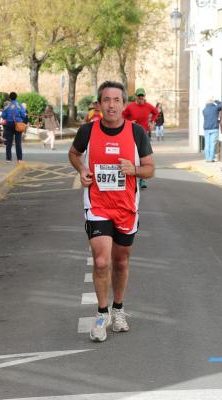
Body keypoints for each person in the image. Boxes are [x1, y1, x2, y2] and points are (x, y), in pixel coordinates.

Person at [68, 81, 154, 342]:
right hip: (98, 205)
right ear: (99, 104)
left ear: (123, 104)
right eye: (107, 100)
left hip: (127, 207)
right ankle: (102, 313)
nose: (112, 105)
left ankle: (118, 309)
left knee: (121, 261)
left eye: (117, 100)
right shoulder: (88, 131)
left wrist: (134, 170)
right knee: (102, 260)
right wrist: (82, 170)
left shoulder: (137, 133)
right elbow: (74, 154)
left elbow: (150, 168)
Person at [122, 88, 158, 189]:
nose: (141, 98)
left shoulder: (149, 106)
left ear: (144, 96)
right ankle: (132, 175)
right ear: (136, 97)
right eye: (139, 96)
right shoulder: (130, 107)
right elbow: (122, 116)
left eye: (142, 96)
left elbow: (156, 112)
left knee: (144, 156)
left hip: (144, 134)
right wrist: (129, 122)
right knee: (133, 154)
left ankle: (142, 179)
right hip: (132, 133)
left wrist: (152, 122)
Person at [0, 92, 26, 163]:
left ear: (10, 98)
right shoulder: (19, 105)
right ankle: (19, 159)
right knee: (18, 142)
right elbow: (23, 115)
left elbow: (3, 116)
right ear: (16, 97)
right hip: (17, 124)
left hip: (9, 124)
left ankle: (8, 159)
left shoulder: (7, 106)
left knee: (9, 142)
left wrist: (9, 116)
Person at [202, 96, 222, 162]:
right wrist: (216, 101)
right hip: (214, 128)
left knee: (207, 144)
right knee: (212, 144)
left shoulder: (204, 110)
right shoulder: (215, 108)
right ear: (212, 102)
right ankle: (211, 158)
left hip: (206, 129)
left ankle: (207, 158)